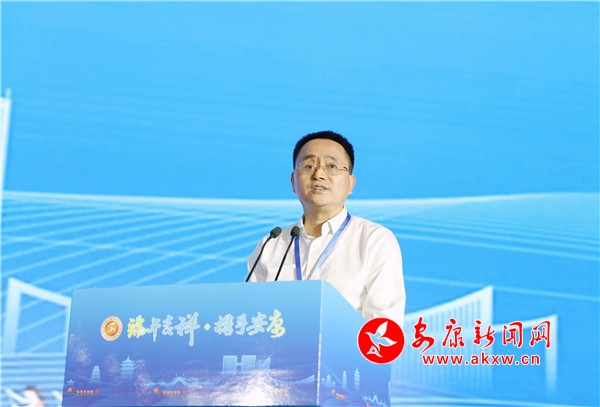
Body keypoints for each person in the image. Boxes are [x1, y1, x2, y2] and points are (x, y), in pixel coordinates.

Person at [247, 131, 405, 327]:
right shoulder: (271, 245)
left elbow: (384, 328)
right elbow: (249, 317)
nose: (319, 175)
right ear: (293, 181)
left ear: (351, 183)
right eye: (309, 166)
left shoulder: (374, 240)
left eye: (332, 166)